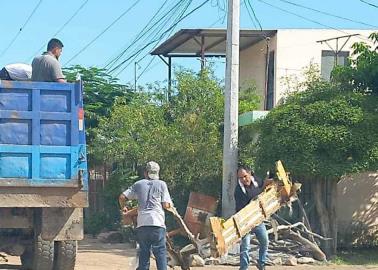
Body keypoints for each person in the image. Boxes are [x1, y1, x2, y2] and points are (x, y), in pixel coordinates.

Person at [119, 161, 172, 270]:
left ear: (145, 173)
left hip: (142, 224)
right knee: (160, 254)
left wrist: (124, 208)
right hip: (157, 223)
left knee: (144, 253)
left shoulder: (138, 184)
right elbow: (166, 205)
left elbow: (122, 197)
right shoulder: (162, 184)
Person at [234, 165, 273, 270]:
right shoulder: (238, 191)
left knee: (265, 242)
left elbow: (263, 189)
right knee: (245, 246)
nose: (243, 179)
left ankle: (261, 263)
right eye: (240, 178)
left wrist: (266, 185)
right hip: (245, 221)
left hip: (258, 219)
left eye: (245, 176)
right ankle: (244, 267)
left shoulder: (257, 181)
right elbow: (244, 207)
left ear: (250, 174)